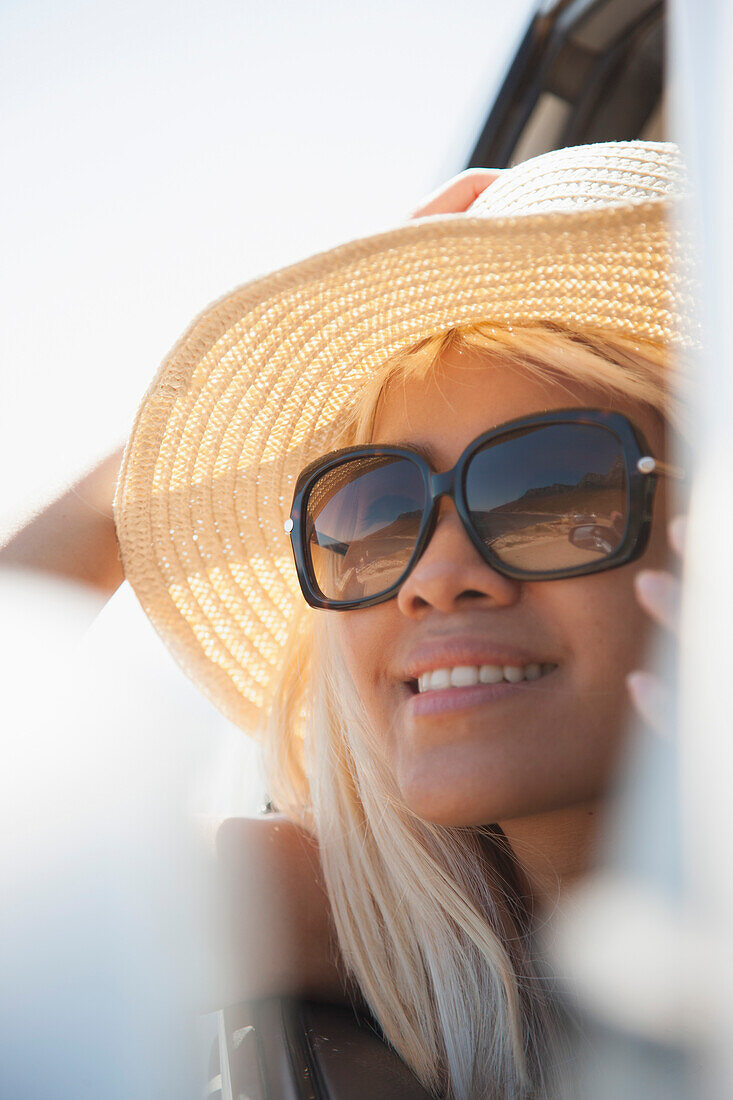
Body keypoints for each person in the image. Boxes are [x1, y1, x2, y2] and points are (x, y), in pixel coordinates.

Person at [7, 142, 692, 1098]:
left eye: (548, 488)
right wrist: (141, 480)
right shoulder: (373, 917)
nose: (435, 577)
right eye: (376, 511)